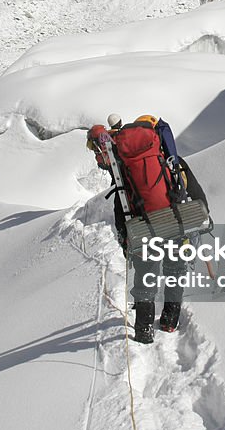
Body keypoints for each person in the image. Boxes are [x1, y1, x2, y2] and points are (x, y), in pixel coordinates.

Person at [87, 114, 209, 344]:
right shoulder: (168, 160)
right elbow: (193, 189)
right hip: (174, 221)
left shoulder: (125, 168)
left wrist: (126, 242)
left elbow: (120, 208)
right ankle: (169, 321)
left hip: (143, 228)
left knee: (145, 276)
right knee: (175, 270)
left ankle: (143, 330)